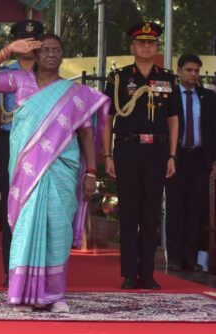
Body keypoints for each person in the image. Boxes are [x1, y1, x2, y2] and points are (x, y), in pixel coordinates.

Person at [0, 33, 109, 312]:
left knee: (57, 228)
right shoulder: (19, 81)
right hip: (27, 171)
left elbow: (85, 134)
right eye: (45, 49)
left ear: (62, 56)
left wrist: (92, 172)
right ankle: (22, 293)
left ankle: (55, 295)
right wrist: (8, 50)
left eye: (56, 50)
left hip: (63, 167)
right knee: (25, 229)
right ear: (35, 55)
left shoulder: (75, 93)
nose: (50, 54)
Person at [103, 22, 178, 290]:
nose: (147, 46)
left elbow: (173, 119)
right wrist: (107, 155)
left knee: (150, 212)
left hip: (157, 150)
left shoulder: (168, 78)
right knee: (129, 211)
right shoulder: (119, 78)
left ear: (156, 47)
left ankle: (147, 273)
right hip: (127, 149)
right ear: (132, 47)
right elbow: (108, 117)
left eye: (152, 43)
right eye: (141, 42)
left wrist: (172, 154)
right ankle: (128, 273)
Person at [0, 19, 43, 287]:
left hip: (43, 146)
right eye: (24, 39)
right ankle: (12, 269)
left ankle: (38, 268)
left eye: (34, 40)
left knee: (39, 207)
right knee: (13, 207)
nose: (29, 45)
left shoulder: (49, 74)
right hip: (11, 143)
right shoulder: (6, 72)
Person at [165, 54, 216, 272]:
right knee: (175, 207)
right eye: (189, 70)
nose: (193, 74)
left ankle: (191, 257)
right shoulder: (170, 96)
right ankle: (174, 257)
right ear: (179, 71)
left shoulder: (208, 97)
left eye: (196, 71)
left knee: (196, 208)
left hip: (200, 158)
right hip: (177, 158)